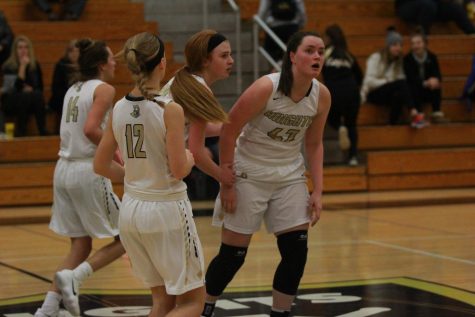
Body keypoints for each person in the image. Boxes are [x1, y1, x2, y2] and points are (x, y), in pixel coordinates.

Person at [94, 31, 228, 317]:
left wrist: (134, 176)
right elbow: (180, 169)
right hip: (166, 211)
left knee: (163, 303)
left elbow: (100, 165)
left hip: (131, 210)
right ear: (162, 65)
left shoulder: (118, 107)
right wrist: (190, 157)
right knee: (193, 304)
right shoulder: (170, 109)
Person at [201, 31, 331, 317]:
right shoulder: (265, 87)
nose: (317, 56)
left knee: (296, 253)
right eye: (310, 50)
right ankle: (204, 306)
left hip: (289, 176)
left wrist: (318, 191)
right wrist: (227, 183)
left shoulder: (321, 95)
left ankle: (280, 313)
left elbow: (314, 143)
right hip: (248, 173)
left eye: (321, 51)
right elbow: (229, 129)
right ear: (293, 56)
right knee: (233, 257)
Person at [34, 38, 125, 317]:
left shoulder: (73, 89)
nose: (115, 62)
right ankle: (76, 278)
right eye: (111, 58)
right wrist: (117, 149)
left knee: (81, 244)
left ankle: (47, 309)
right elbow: (90, 129)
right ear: (100, 64)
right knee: (130, 236)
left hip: (63, 169)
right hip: (87, 169)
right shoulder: (105, 89)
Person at [161, 29, 235, 188]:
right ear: (204, 60)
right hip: (163, 172)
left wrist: (233, 127)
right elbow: (196, 151)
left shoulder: (182, 80)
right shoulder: (199, 89)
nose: (231, 61)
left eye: (230, 55)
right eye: (224, 56)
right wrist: (222, 176)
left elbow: (188, 128)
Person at [360, 28, 427, 128]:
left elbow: (401, 82)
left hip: (389, 92)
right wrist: (387, 81)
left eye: (400, 45)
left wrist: (392, 83)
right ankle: (414, 112)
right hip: (372, 93)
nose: (398, 48)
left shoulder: (399, 62)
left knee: (399, 93)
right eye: (395, 45)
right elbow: (369, 82)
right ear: (388, 46)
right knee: (400, 84)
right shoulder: (376, 58)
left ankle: (392, 124)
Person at [322, 24, 363, 166]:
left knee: (331, 118)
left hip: (334, 92)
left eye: (325, 37)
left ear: (330, 38)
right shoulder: (348, 55)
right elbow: (360, 76)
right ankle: (353, 157)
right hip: (352, 91)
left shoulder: (325, 54)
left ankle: (340, 127)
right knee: (352, 124)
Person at [1, 35, 49, 136]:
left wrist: (31, 89)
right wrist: (22, 66)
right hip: (11, 100)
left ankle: (42, 129)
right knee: (24, 96)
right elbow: (13, 89)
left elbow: (39, 87)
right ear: (15, 50)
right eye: (20, 47)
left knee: (37, 95)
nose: (23, 50)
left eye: (26, 47)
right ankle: (21, 131)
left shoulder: (34, 65)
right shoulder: (8, 66)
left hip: (30, 99)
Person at [403, 28, 447, 123]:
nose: (415, 46)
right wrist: (425, 83)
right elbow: (410, 79)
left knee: (436, 83)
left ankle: (436, 112)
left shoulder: (432, 57)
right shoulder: (407, 59)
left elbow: (438, 74)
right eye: (413, 43)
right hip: (415, 90)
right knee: (412, 87)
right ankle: (418, 114)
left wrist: (434, 80)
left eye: (418, 43)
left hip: (428, 89)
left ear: (425, 44)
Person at [258, 0, 307, 65]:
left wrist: (259, 26)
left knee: (270, 50)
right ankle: (283, 66)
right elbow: (302, 10)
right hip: (292, 26)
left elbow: (263, 10)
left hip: (274, 27)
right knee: (292, 50)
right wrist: (301, 23)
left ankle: (278, 65)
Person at [49, 39, 79, 133]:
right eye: (71, 51)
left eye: (77, 51)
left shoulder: (84, 68)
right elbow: (56, 87)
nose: (74, 54)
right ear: (67, 52)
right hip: (63, 97)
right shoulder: (61, 65)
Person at [395, 0, 475, 34]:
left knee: (455, 9)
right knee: (428, 6)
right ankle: (422, 37)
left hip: (431, 6)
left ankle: (472, 32)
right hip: (406, 6)